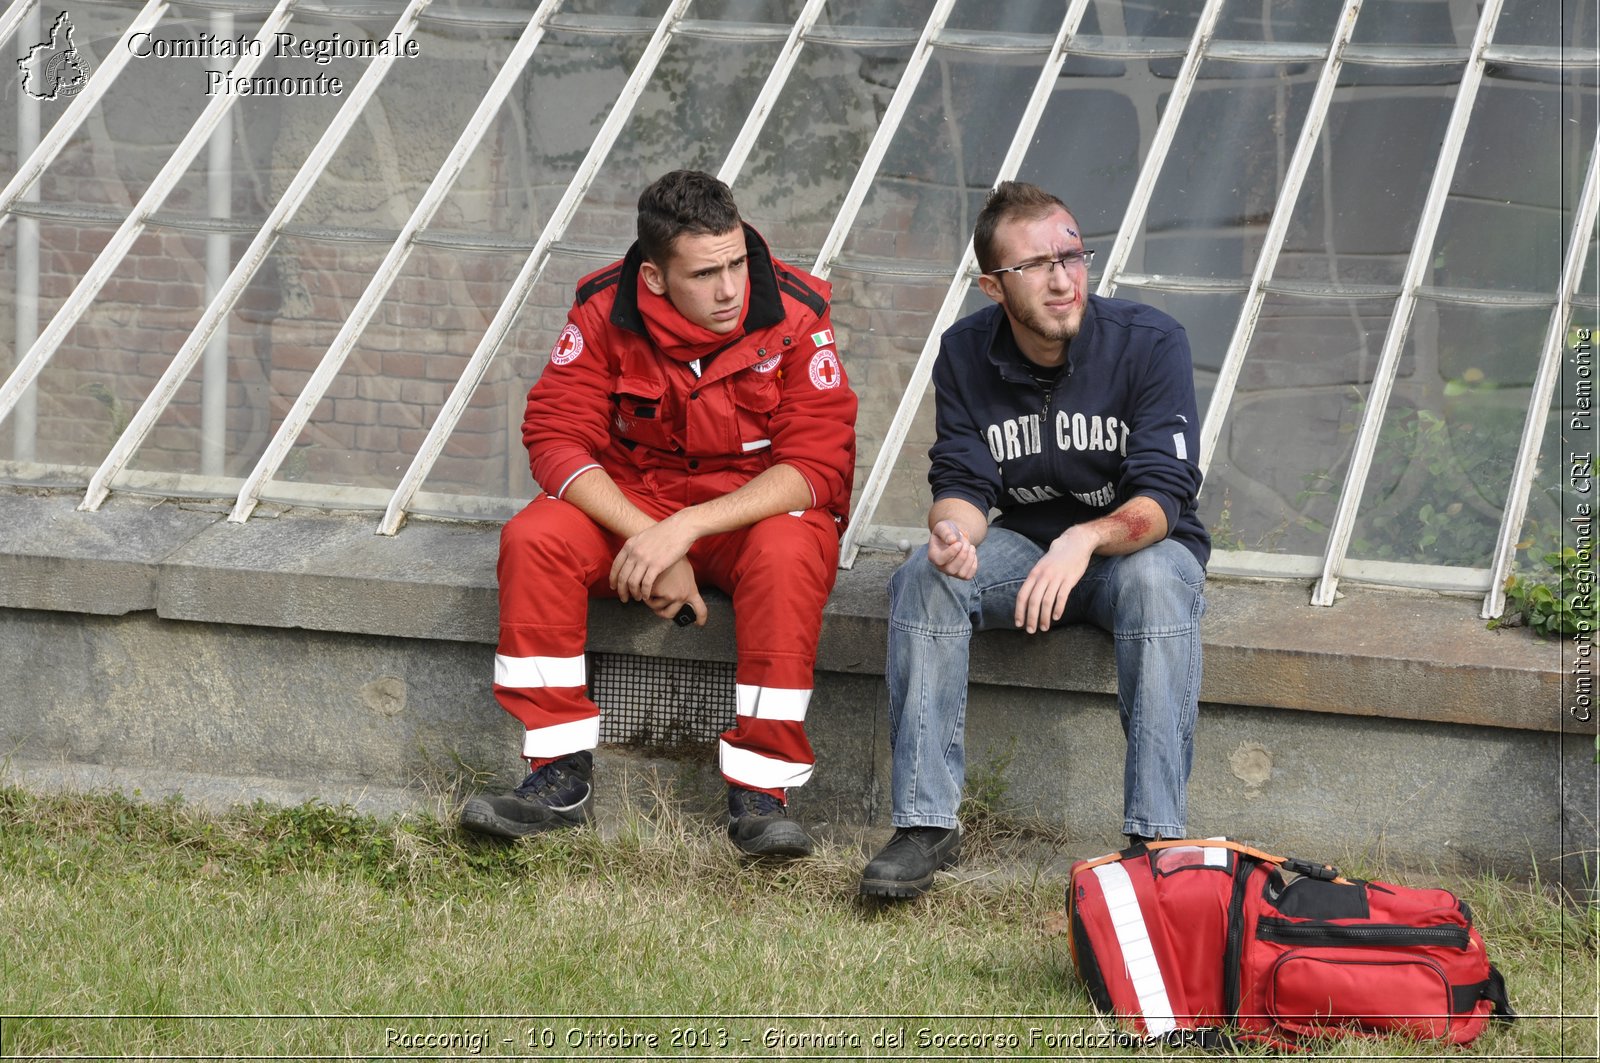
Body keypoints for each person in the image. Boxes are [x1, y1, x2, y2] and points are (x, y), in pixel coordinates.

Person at [460, 170, 857, 858]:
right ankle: (557, 775)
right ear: (653, 278)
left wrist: (686, 529)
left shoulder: (796, 314)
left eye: (737, 263)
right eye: (706, 274)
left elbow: (820, 466)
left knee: (791, 548)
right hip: (636, 509)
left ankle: (761, 794)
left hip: (744, 521)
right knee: (536, 537)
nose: (731, 288)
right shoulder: (601, 308)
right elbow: (553, 435)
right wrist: (649, 535)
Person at [860, 181, 1209, 899]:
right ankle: (926, 824)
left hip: (1130, 553)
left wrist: (1083, 539)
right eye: (1037, 265)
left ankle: (1156, 840)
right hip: (1023, 553)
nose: (1062, 279)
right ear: (993, 285)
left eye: (1073, 256)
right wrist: (953, 534)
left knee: (1155, 580)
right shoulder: (964, 352)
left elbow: (1164, 500)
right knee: (923, 578)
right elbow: (961, 476)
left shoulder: (1150, 343)